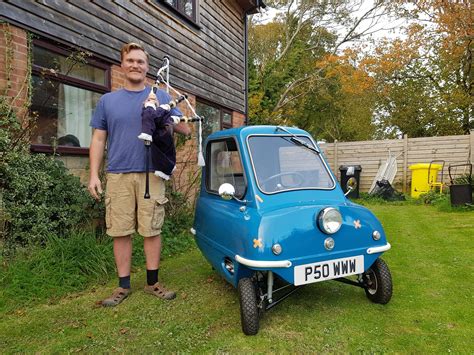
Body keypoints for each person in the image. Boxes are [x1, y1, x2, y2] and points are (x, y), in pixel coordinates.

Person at [88, 42, 191, 307]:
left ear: (147, 67)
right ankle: (123, 286)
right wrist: (94, 175)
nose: (135, 65)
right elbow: (99, 140)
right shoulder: (107, 101)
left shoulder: (162, 95)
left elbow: (186, 131)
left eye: (141, 62)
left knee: (151, 229)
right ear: (122, 65)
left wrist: (163, 114)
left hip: (152, 173)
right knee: (120, 231)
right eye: (131, 60)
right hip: (117, 174)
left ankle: (152, 283)